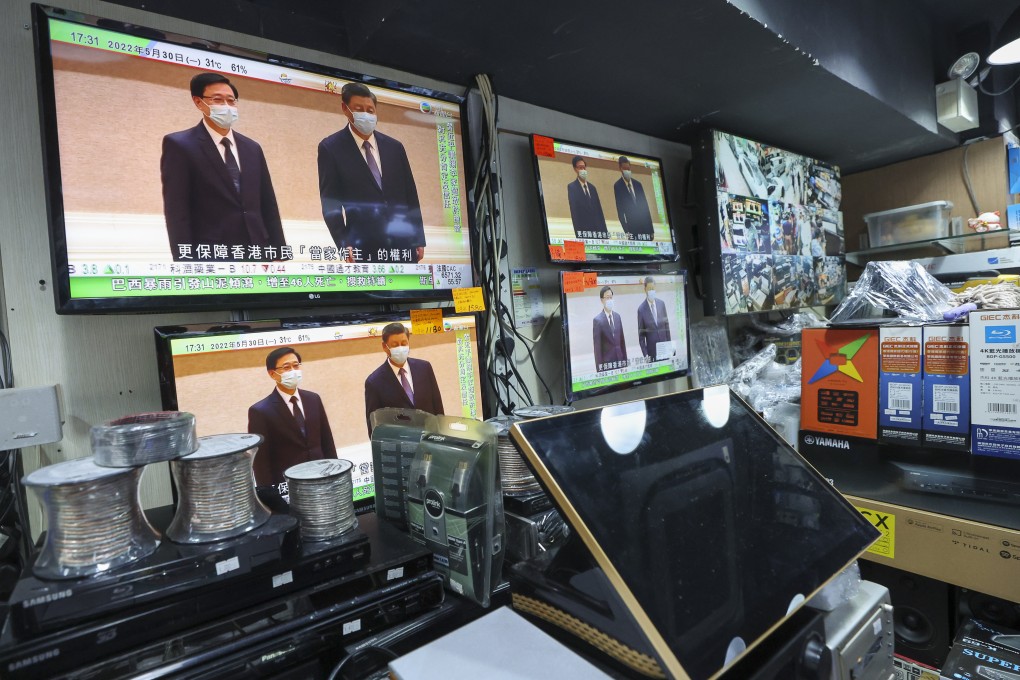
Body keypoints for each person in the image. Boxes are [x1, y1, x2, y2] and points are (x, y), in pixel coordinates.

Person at [161, 73, 286, 262]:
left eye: (231, 101)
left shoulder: (252, 148)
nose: (226, 107)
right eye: (218, 100)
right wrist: (185, 263)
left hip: (260, 254)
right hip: (211, 257)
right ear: (198, 102)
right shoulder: (180, 145)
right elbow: (177, 212)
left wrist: (279, 254)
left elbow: (268, 203)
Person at [318, 83, 426, 263]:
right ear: (345, 109)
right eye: (359, 109)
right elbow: (331, 204)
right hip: (362, 246)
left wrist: (418, 237)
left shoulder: (395, 147)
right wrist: (343, 242)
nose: (366, 115)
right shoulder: (331, 148)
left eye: (370, 110)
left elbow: (410, 194)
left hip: (403, 244)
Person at [248, 347, 336, 505]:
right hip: (288, 490)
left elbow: (327, 441)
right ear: (272, 373)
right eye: (287, 367)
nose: (293, 371)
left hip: (321, 481)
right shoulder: (260, 411)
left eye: (296, 366)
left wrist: (336, 476)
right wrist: (271, 499)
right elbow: (261, 462)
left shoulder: (313, 399)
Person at [364, 322, 444, 434]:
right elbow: (373, 426)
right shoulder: (374, 382)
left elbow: (438, 407)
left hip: (429, 440)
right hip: (400, 445)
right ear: (385, 347)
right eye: (395, 345)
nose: (400, 348)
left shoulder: (424, 368)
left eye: (404, 343)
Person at [612, 156, 654, 240]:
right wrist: (626, 232)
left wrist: (651, 230)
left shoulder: (638, 184)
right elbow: (620, 211)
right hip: (632, 229)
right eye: (624, 168)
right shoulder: (618, 186)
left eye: (628, 168)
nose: (627, 171)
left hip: (645, 227)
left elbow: (645, 207)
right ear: (620, 168)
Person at [567, 156, 607, 238]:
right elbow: (574, 213)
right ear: (575, 169)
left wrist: (605, 234)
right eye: (580, 168)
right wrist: (579, 235)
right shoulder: (572, 187)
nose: (583, 170)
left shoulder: (592, 188)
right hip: (585, 232)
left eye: (584, 167)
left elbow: (600, 212)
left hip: (599, 232)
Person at [592, 286, 627, 372]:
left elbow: (622, 342)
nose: (610, 300)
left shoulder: (617, 317)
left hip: (620, 362)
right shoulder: (597, 320)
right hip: (607, 365)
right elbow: (597, 349)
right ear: (602, 300)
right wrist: (600, 370)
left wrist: (625, 363)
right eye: (607, 298)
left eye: (611, 297)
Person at [636, 276, 672, 361]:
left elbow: (667, 327)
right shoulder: (641, 309)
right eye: (649, 289)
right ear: (645, 289)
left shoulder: (661, 304)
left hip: (664, 350)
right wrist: (646, 355)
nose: (651, 291)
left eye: (653, 288)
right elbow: (641, 337)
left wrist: (669, 347)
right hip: (652, 353)